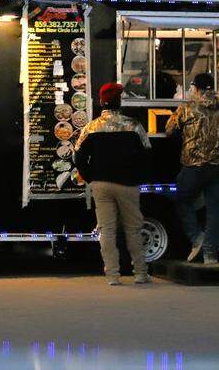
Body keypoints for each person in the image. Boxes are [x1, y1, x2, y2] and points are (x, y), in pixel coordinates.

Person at [74, 82, 153, 285]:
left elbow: (78, 156)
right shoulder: (134, 126)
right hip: (128, 185)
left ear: (101, 102)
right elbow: (147, 155)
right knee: (133, 229)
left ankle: (112, 276)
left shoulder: (91, 127)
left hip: (101, 185)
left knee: (107, 231)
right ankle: (141, 274)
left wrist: (91, 177)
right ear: (120, 101)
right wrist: (137, 175)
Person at [165, 72, 219, 265]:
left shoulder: (187, 107)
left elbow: (169, 130)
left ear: (195, 88)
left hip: (194, 166)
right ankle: (210, 254)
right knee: (214, 210)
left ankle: (197, 238)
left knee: (182, 200)